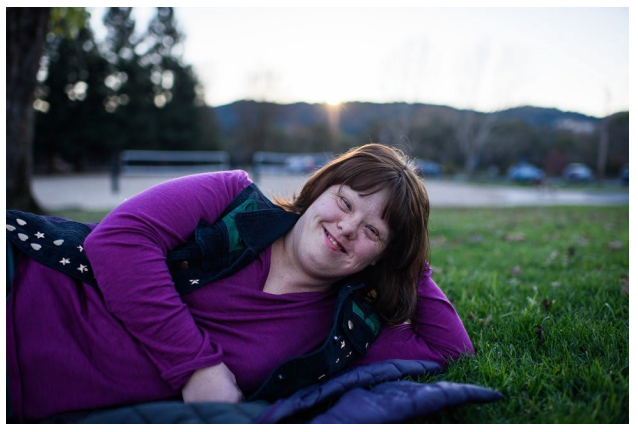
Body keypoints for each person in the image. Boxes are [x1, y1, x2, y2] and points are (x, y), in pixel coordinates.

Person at [6, 144, 473, 422]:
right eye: (346, 202)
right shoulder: (232, 198)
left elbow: (451, 351)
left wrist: (411, 261)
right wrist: (196, 367)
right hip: (23, 289)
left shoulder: (347, 331)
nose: (348, 228)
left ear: (383, 256)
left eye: (373, 231)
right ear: (319, 189)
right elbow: (119, 240)